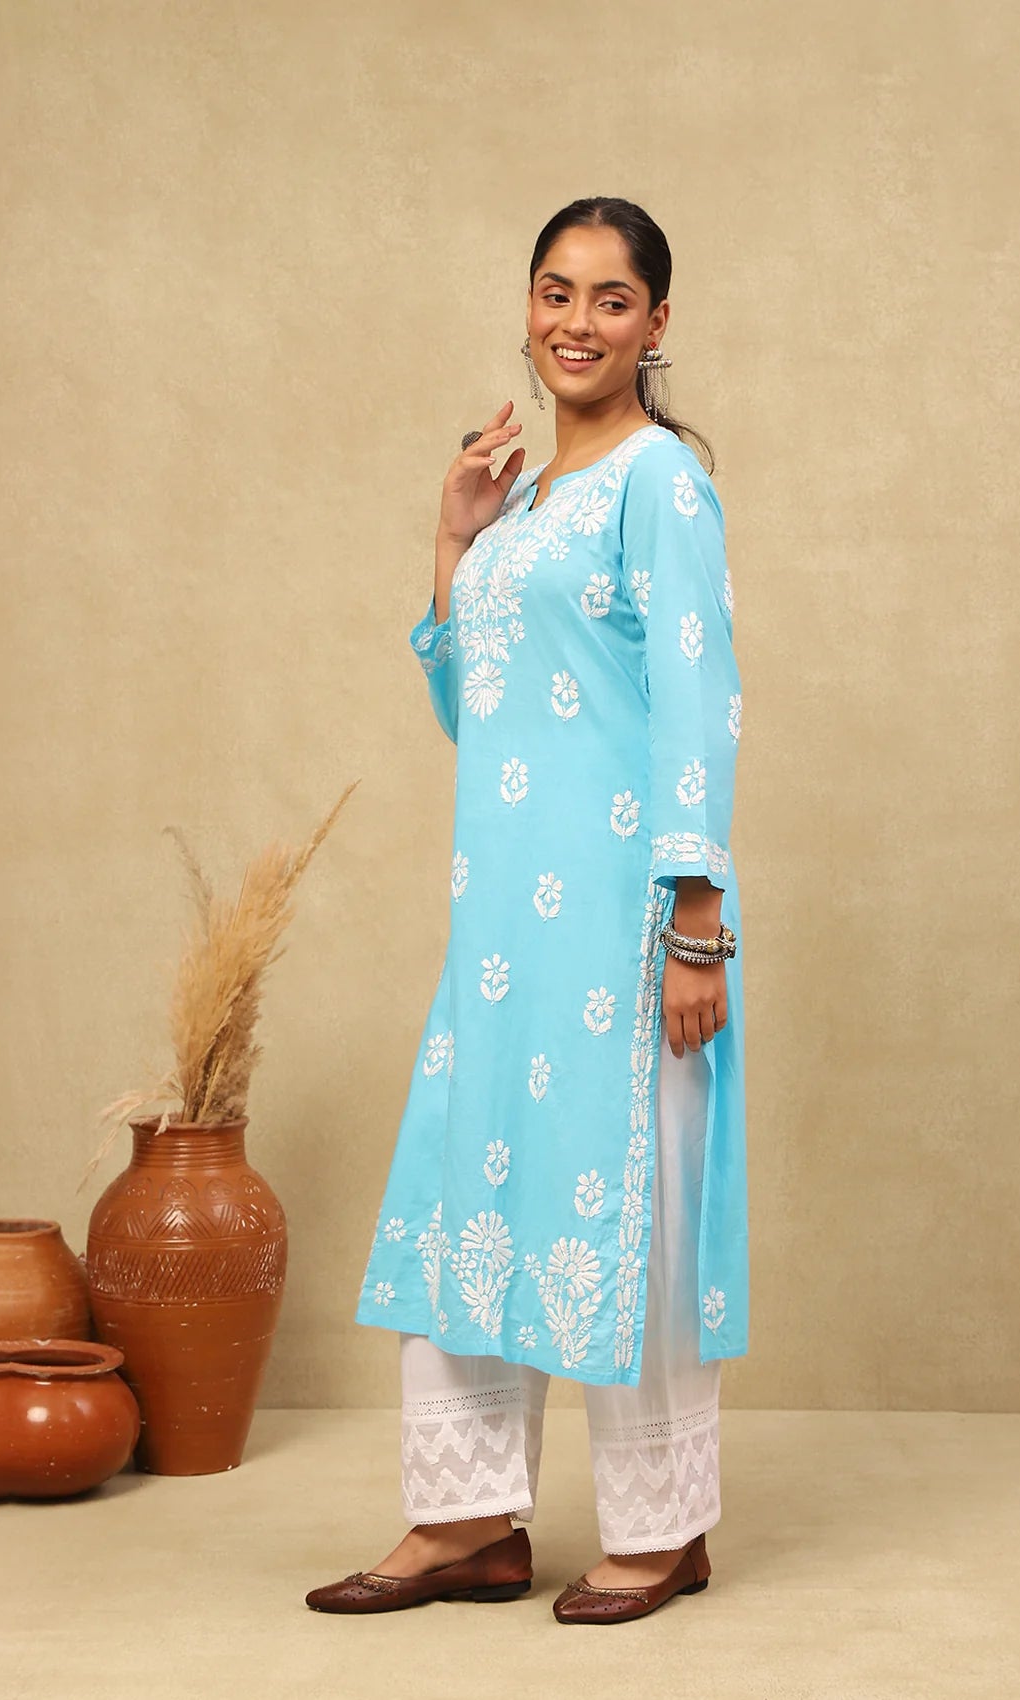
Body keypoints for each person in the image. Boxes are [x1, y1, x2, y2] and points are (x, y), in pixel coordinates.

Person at [306, 196, 748, 1625]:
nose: (577, 322)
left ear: (656, 325)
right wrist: (454, 541)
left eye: (611, 300)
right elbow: (476, 711)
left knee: (631, 1198)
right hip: (501, 924)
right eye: (556, 292)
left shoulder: (659, 482)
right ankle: (467, 1522)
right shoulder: (528, 505)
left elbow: (697, 695)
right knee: (472, 1189)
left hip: (623, 915)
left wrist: (695, 921)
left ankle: (663, 1532)